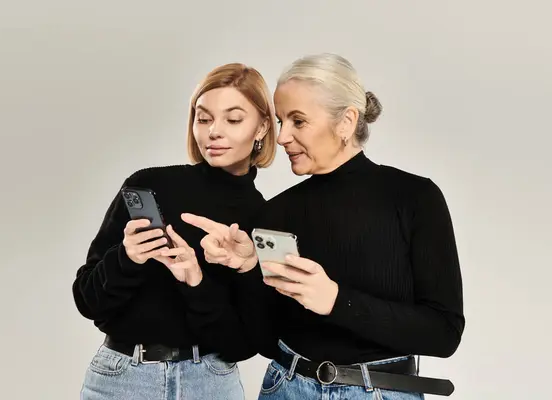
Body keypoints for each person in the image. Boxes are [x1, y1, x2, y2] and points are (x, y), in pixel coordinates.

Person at [182, 53, 465, 400]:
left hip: (379, 392)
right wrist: (247, 270)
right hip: (286, 387)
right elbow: (264, 341)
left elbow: (444, 333)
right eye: (282, 120)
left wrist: (335, 300)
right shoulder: (275, 213)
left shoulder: (415, 197)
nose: (283, 136)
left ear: (346, 122)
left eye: (298, 122)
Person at [72, 62, 277, 400]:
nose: (214, 131)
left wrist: (196, 280)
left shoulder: (266, 218)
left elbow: (246, 343)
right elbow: (87, 300)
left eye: (234, 119)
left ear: (262, 127)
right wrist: (127, 259)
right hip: (121, 377)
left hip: (210, 382)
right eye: (204, 117)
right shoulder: (149, 185)